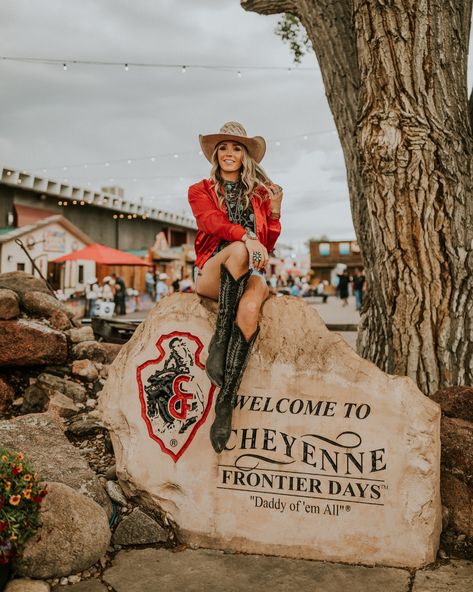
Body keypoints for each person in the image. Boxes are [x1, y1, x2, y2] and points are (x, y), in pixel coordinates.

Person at [188, 121, 282, 452]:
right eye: (224, 148)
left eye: (236, 148)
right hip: (213, 269)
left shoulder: (257, 194)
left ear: (245, 155)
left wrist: (275, 212)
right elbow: (209, 223)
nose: (229, 153)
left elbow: (267, 242)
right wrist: (245, 236)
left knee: (252, 307)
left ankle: (225, 402)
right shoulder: (200, 189)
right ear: (216, 154)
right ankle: (220, 339)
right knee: (241, 249)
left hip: (249, 272)